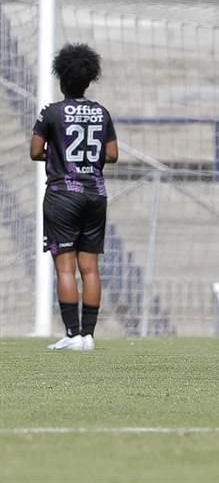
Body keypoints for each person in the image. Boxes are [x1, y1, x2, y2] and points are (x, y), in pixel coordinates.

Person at [32, 43, 119, 351]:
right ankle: (89, 336)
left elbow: (34, 151)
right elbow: (112, 154)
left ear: (62, 79)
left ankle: (71, 335)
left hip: (62, 194)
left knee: (65, 268)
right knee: (91, 268)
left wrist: (60, 156)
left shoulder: (52, 112)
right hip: (96, 194)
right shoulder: (101, 112)